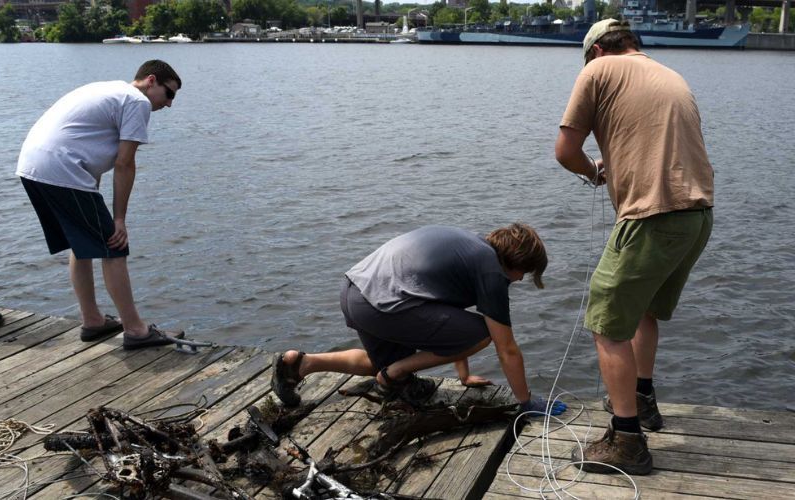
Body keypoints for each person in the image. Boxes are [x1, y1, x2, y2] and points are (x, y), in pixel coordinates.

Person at [555, 19, 714, 475]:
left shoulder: (598, 70)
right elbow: (656, 145)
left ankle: (627, 441)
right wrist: (612, 164)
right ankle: (643, 401)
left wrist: (590, 171)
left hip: (653, 216)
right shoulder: (669, 74)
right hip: (696, 215)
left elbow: (566, 151)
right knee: (641, 309)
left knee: (606, 322)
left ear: (599, 51)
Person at [272, 224, 567, 415]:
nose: (520, 280)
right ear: (517, 262)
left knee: (382, 365)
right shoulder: (491, 271)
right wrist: (527, 403)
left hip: (354, 291)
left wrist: (463, 376)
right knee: (484, 335)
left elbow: (451, 315)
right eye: (524, 274)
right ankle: (395, 373)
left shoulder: (469, 247)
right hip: (380, 303)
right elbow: (507, 349)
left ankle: (303, 363)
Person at [16, 60, 185, 350]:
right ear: (151, 81)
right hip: (60, 169)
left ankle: (92, 320)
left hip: (33, 166)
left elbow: (80, 141)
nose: (169, 104)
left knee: (81, 244)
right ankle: (136, 330)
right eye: (169, 94)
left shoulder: (110, 90)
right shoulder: (137, 101)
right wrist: (119, 220)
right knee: (113, 245)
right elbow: (124, 163)